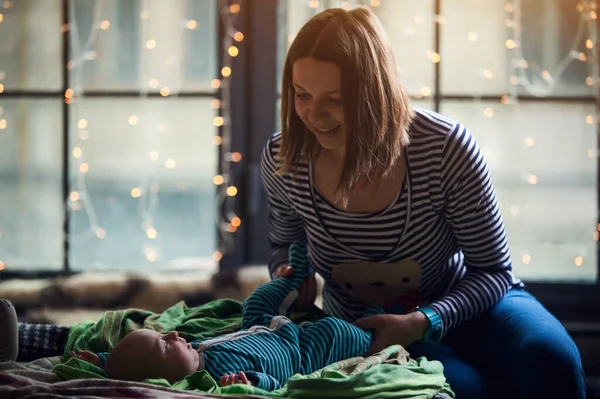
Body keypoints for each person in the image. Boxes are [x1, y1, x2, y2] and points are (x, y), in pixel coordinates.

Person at [261, 6, 586, 399]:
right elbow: (284, 244)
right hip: (365, 329)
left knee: (551, 360)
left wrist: (424, 320)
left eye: (335, 99)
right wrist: (288, 272)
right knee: (459, 389)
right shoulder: (286, 159)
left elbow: (494, 271)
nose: (314, 115)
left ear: (373, 91)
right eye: (302, 95)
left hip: (473, 305)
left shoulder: (444, 148)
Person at [0, 242, 388, 390]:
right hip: (298, 349)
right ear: (165, 378)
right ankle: (376, 322)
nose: (173, 337)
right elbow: (276, 386)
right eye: (167, 347)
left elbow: (122, 364)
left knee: (255, 300)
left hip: (257, 325)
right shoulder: (209, 381)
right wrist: (250, 381)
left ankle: (297, 269)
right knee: (338, 332)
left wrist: (96, 361)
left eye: (166, 337)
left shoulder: (187, 350)